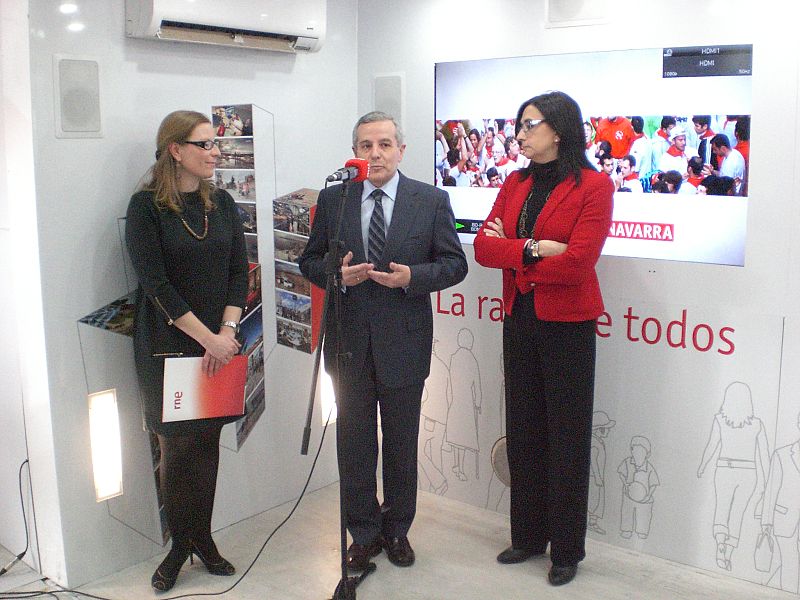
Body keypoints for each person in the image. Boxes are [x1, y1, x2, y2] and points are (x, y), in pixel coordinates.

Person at [299, 111, 467, 572]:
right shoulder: (335, 199)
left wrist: (413, 277)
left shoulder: (430, 200)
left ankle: (397, 531)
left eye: (385, 144)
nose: (375, 154)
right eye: (366, 145)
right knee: (353, 444)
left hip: (404, 344)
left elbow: (455, 265)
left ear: (401, 150)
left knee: (399, 446)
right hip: (347, 343)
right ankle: (364, 533)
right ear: (355, 151)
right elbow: (309, 262)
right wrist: (337, 276)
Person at [473, 91, 613, 586]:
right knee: (526, 430)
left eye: (529, 125)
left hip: (568, 325)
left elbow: (579, 261)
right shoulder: (514, 182)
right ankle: (528, 536)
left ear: (558, 129)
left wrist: (520, 262)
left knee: (567, 435)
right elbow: (484, 249)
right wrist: (532, 248)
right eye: (520, 125)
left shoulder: (594, 185)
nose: (520, 134)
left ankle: (566, 548)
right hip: (520, 319)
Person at [125, 110, 248, 592]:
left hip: (219, 342)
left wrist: (228, 330)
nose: (215, 152)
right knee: (177, 450)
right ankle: (180, 546)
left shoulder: (224, 203)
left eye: (215, 144)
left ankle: (204, 539)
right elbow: (155, 284)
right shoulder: (146, 208)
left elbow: (240, 271)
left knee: (209, 444)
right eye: (205, 144)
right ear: (176, 150)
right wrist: (209, 339)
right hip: (169, 346)